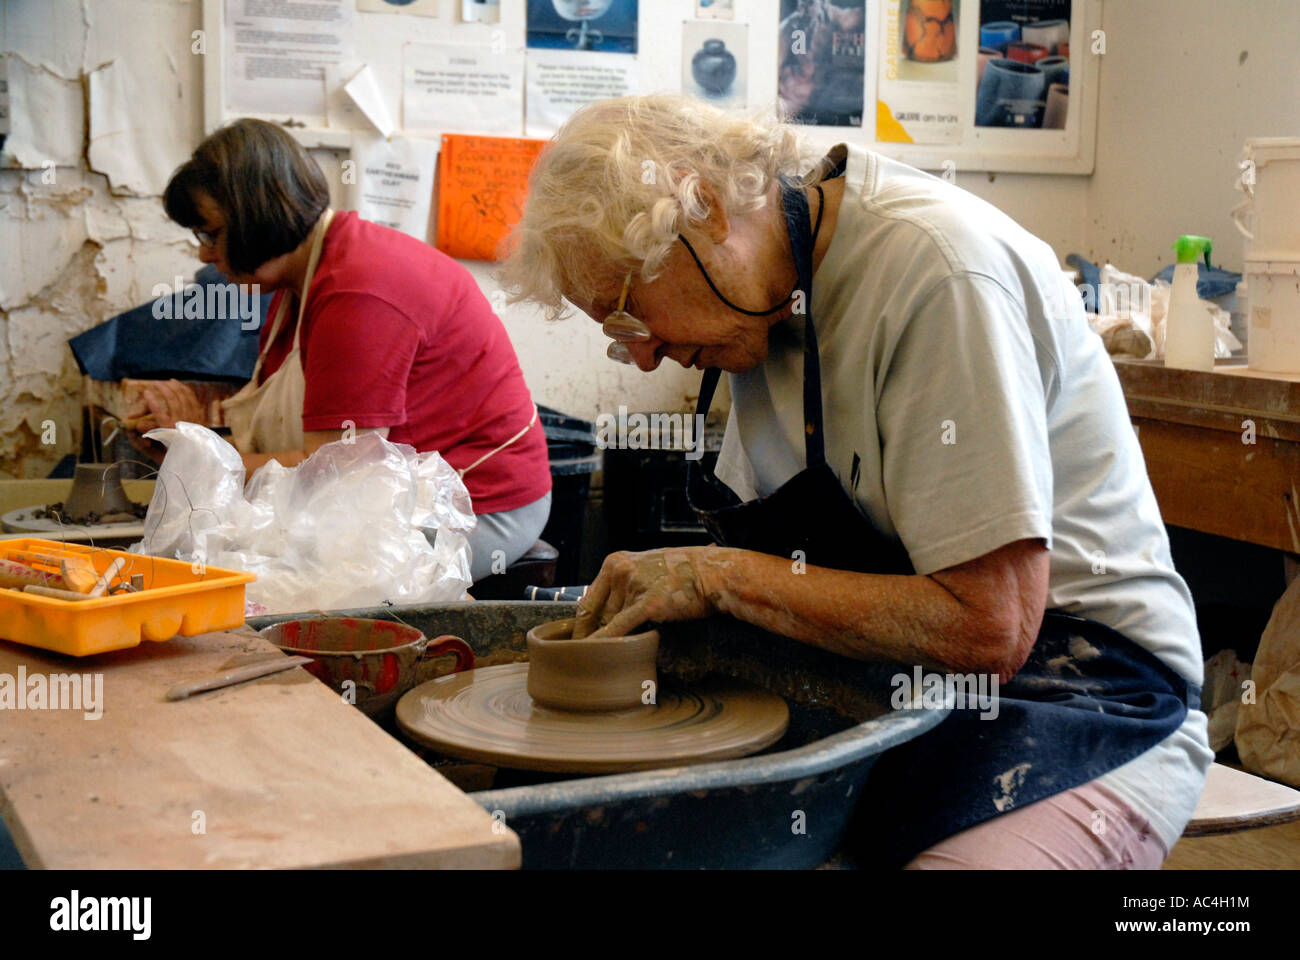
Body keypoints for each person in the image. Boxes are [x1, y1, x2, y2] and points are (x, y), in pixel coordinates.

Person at [501, 94, 1213, 869]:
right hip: (892, 688)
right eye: (615, 337)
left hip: (1085, 697)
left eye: (630, 315)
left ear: (703, 210)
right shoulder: (756, 311)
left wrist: (717, 576)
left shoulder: (936, 272)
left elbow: (990, 628)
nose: (640, 357)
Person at [138, 119, 552, 582]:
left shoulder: (357, 292)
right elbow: (311, 455)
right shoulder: (296, 285)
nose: (204, 255)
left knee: (270, 584)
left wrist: (197, 453)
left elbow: (332, 476)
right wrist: (186, 442)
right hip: (373, 483)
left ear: (258, 215)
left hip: (480, 504)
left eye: (210, 234)